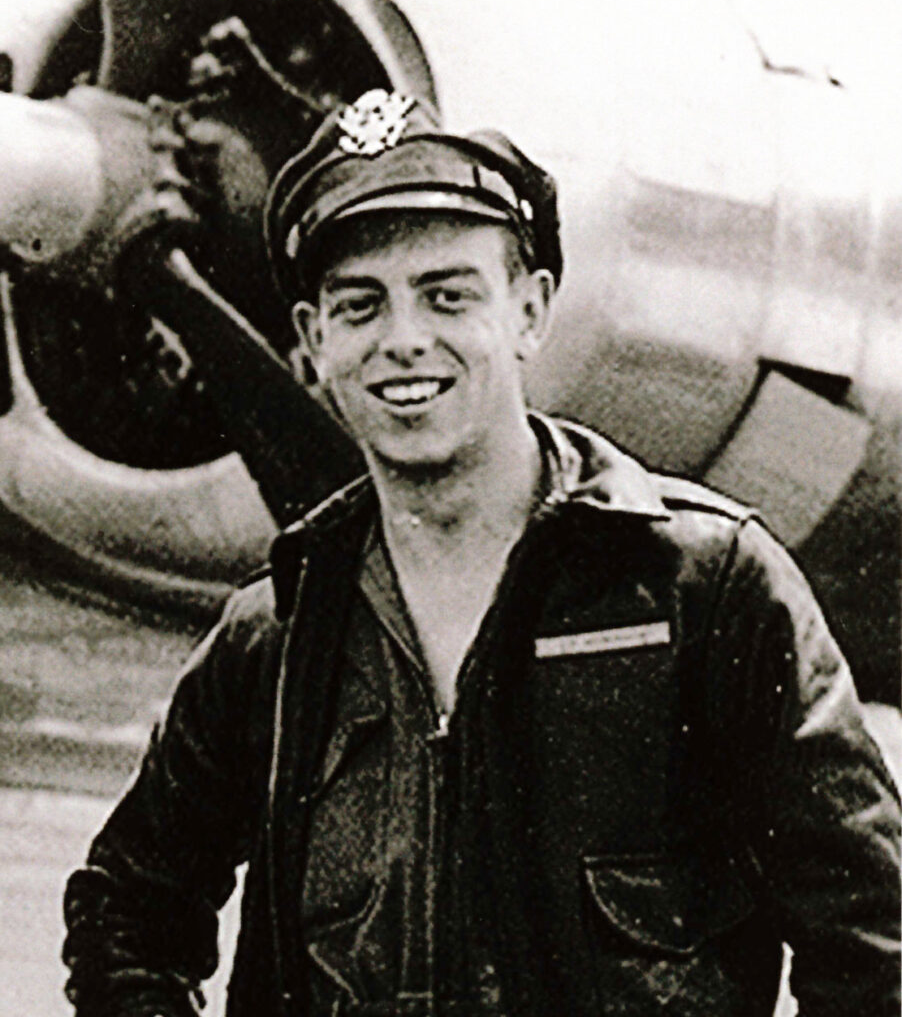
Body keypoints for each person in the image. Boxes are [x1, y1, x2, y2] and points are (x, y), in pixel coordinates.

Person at [63, 88, 900, 1017]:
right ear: (313, 342)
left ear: (529, 312)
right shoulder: (276, 637)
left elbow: (872, 942)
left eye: (448, 294)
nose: (404, 341)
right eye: (360, 305)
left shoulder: (704, 588)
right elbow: (125, 912)